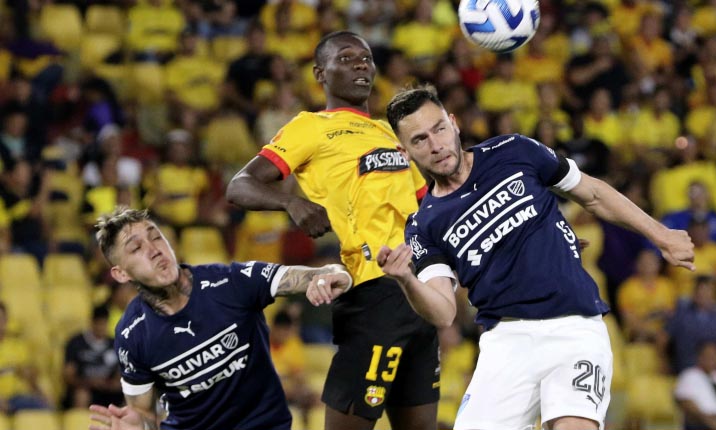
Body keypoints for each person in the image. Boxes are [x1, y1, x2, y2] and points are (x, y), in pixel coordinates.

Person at [377, 85, 696, 430]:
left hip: (574, 327)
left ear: (453, 122)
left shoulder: (513, 150)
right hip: (505, 344)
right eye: (420, 139)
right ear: (404, 151)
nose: (436, 145)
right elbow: (443, 311)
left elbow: (591, 193)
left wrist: (661, 235)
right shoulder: (423, 225)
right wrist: (406, 279)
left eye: (439, 128)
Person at [226, 31, 439, 430]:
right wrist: (293, 203)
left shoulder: (388, 132)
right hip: (372, 291)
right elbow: (240, 185)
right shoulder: (309, 127)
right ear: (320, 74)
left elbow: (428, 209)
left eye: (366, 57)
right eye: (346, 57)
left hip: (420, 295)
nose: (361, 64)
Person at [87, 207, 352, 430]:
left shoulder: (230, 282)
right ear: (121, 274)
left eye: (156, 237)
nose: (154, 249)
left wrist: (333, 274)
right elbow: (143, 413)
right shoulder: (131, 334)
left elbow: (309, 274)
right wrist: (141, 426)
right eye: (136, 248)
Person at [63, 305, 122, 409]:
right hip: (85, 388)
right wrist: (89, 382)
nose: (101, 327)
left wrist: (112, 384)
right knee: (81, 395)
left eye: (104, 323)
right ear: (91, 322)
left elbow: (120, 373)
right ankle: (79, 419)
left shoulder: (114, 344)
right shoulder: (76, 343)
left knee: (129, 394)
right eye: (98, 323)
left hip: (108, 391)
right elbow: (68, 376)